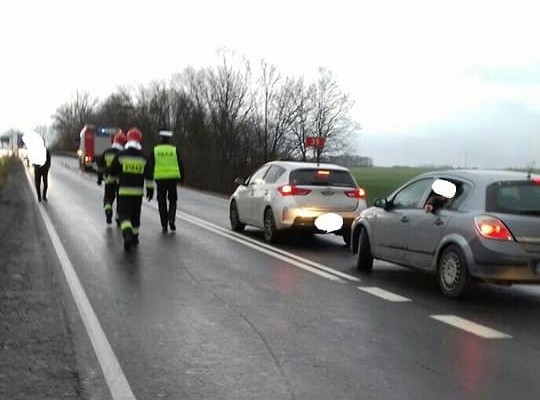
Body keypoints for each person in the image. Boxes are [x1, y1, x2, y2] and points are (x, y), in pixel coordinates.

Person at [109, 128, 154, 251]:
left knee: (124, 216)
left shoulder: (120, 155)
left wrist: (111, 184)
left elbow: (112, 172)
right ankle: (135, 237)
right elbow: (149, 175)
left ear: (128, 139)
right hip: (138, 193)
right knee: (135, 216)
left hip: (123, 192)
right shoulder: (144, 157)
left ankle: (127, 234)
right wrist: (150, 190)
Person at [147, 130, 185, 233]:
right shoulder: (174, 149)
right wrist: (182, 178)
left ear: (160, 139)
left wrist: (149, 178)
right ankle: (171, 219)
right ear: (169, 140)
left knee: (161, 201)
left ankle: (164, 224)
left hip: (160, 179)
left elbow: (150, 166)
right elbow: (180, 164)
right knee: (173, 200)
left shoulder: (156, 150)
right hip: (173, 179)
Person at [96, 131, 127, 224]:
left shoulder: (107, 152)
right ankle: (118, 216)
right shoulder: (124, 153)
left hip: (109, 180)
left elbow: (100, 167)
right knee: (120, 200)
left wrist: (99, 178)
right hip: (121, 181)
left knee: (108, 198)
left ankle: (108, 211)